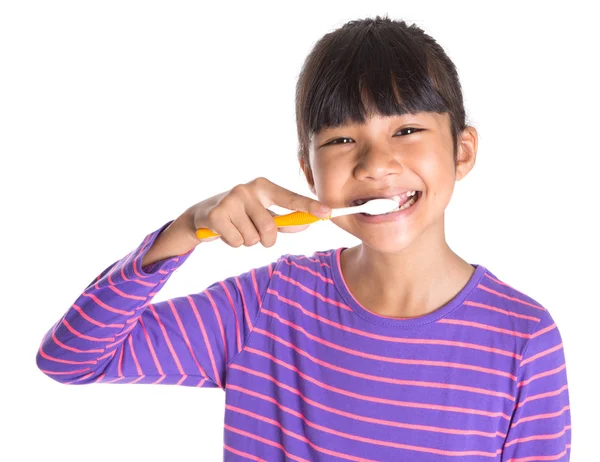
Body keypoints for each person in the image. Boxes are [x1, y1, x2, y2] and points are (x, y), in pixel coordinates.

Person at [35, 15, 571, 461]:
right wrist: (186, 229)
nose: (376, 165)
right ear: (310, 175)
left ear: (462, 151)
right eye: (341, 139)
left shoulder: (525, 340)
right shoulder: (264, 307)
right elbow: (72, 359)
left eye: (406, 130)